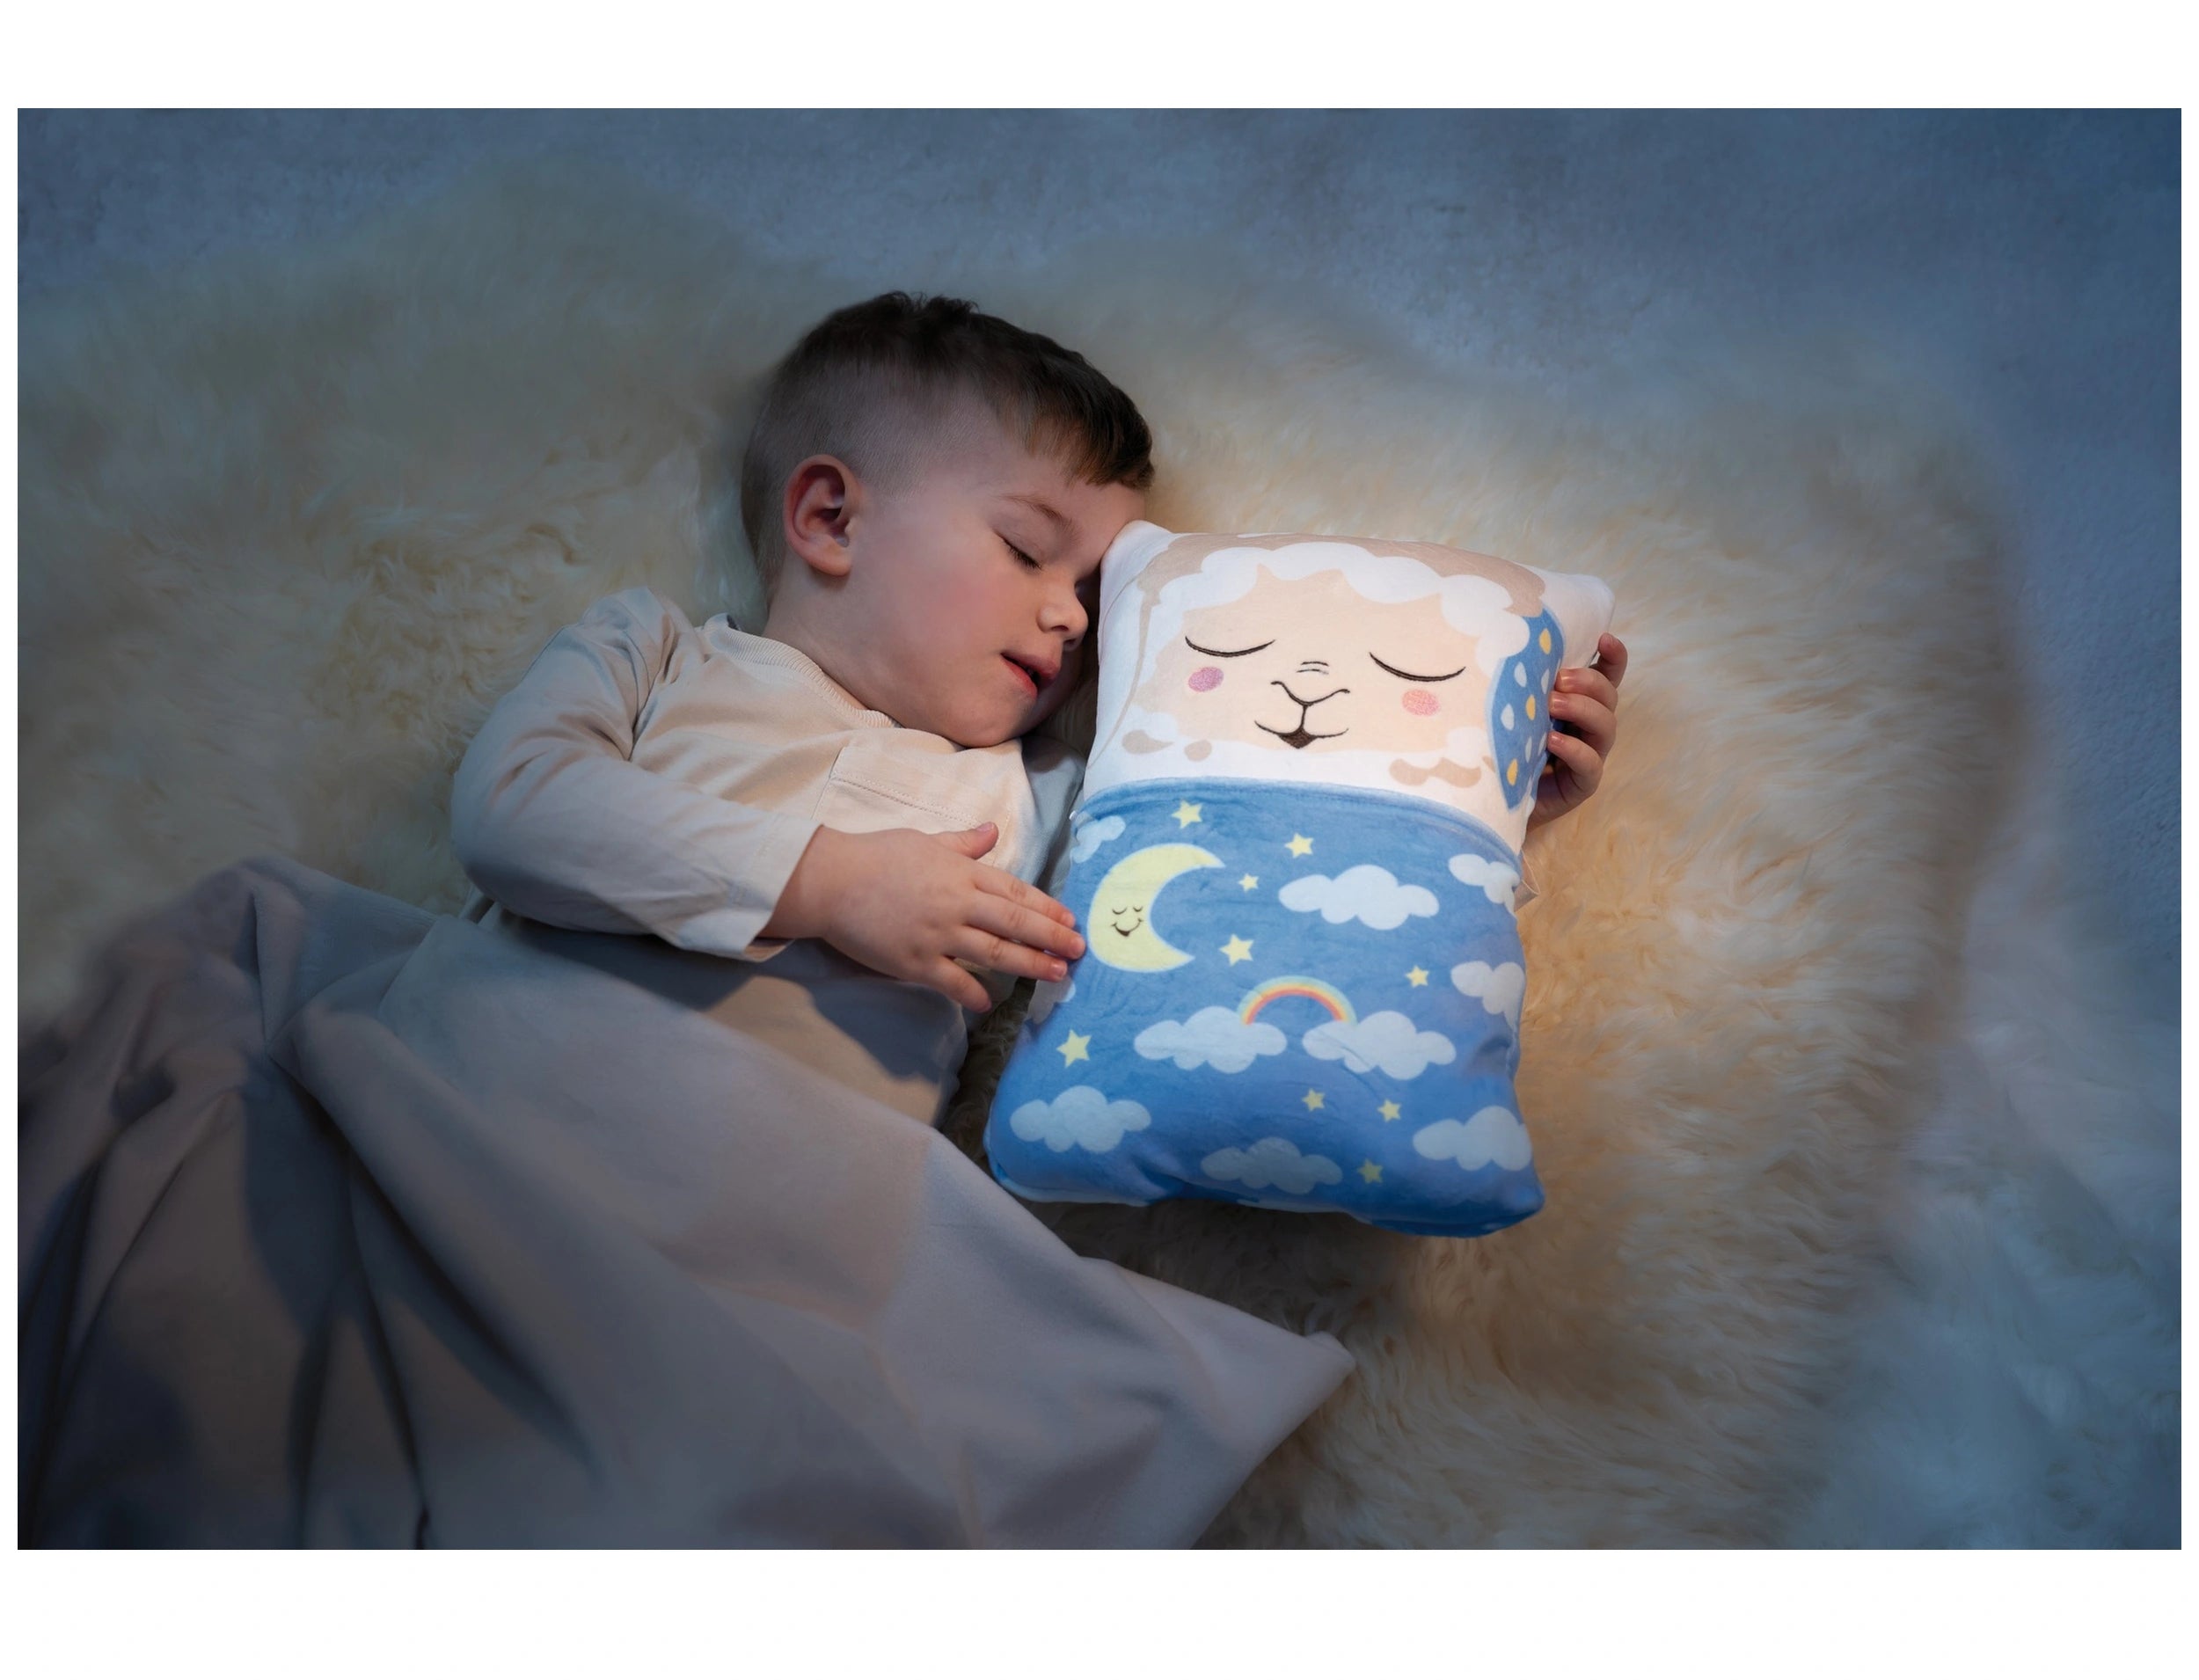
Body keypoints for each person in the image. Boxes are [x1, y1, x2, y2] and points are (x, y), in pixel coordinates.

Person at [451, 291, 1631, 1131]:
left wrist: (1484, 800)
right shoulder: (653, 652)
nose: (1071, 618)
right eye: (1026, 549)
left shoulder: (1054, 797)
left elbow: (1252, 897)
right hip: (495, 1097)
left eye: (1096, 598)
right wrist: (832, 884)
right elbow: (514, 812)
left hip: (781, 1205)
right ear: (830, 520)